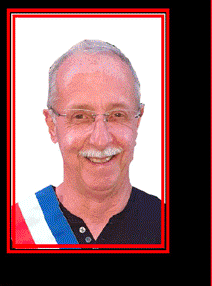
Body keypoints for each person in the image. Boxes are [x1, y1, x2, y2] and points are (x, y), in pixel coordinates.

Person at [13, 39, 163, 247]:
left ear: (137, 121)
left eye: (117, 115)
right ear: (51, 125)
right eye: (80, 117)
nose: (101, 140)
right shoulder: (16, 232)